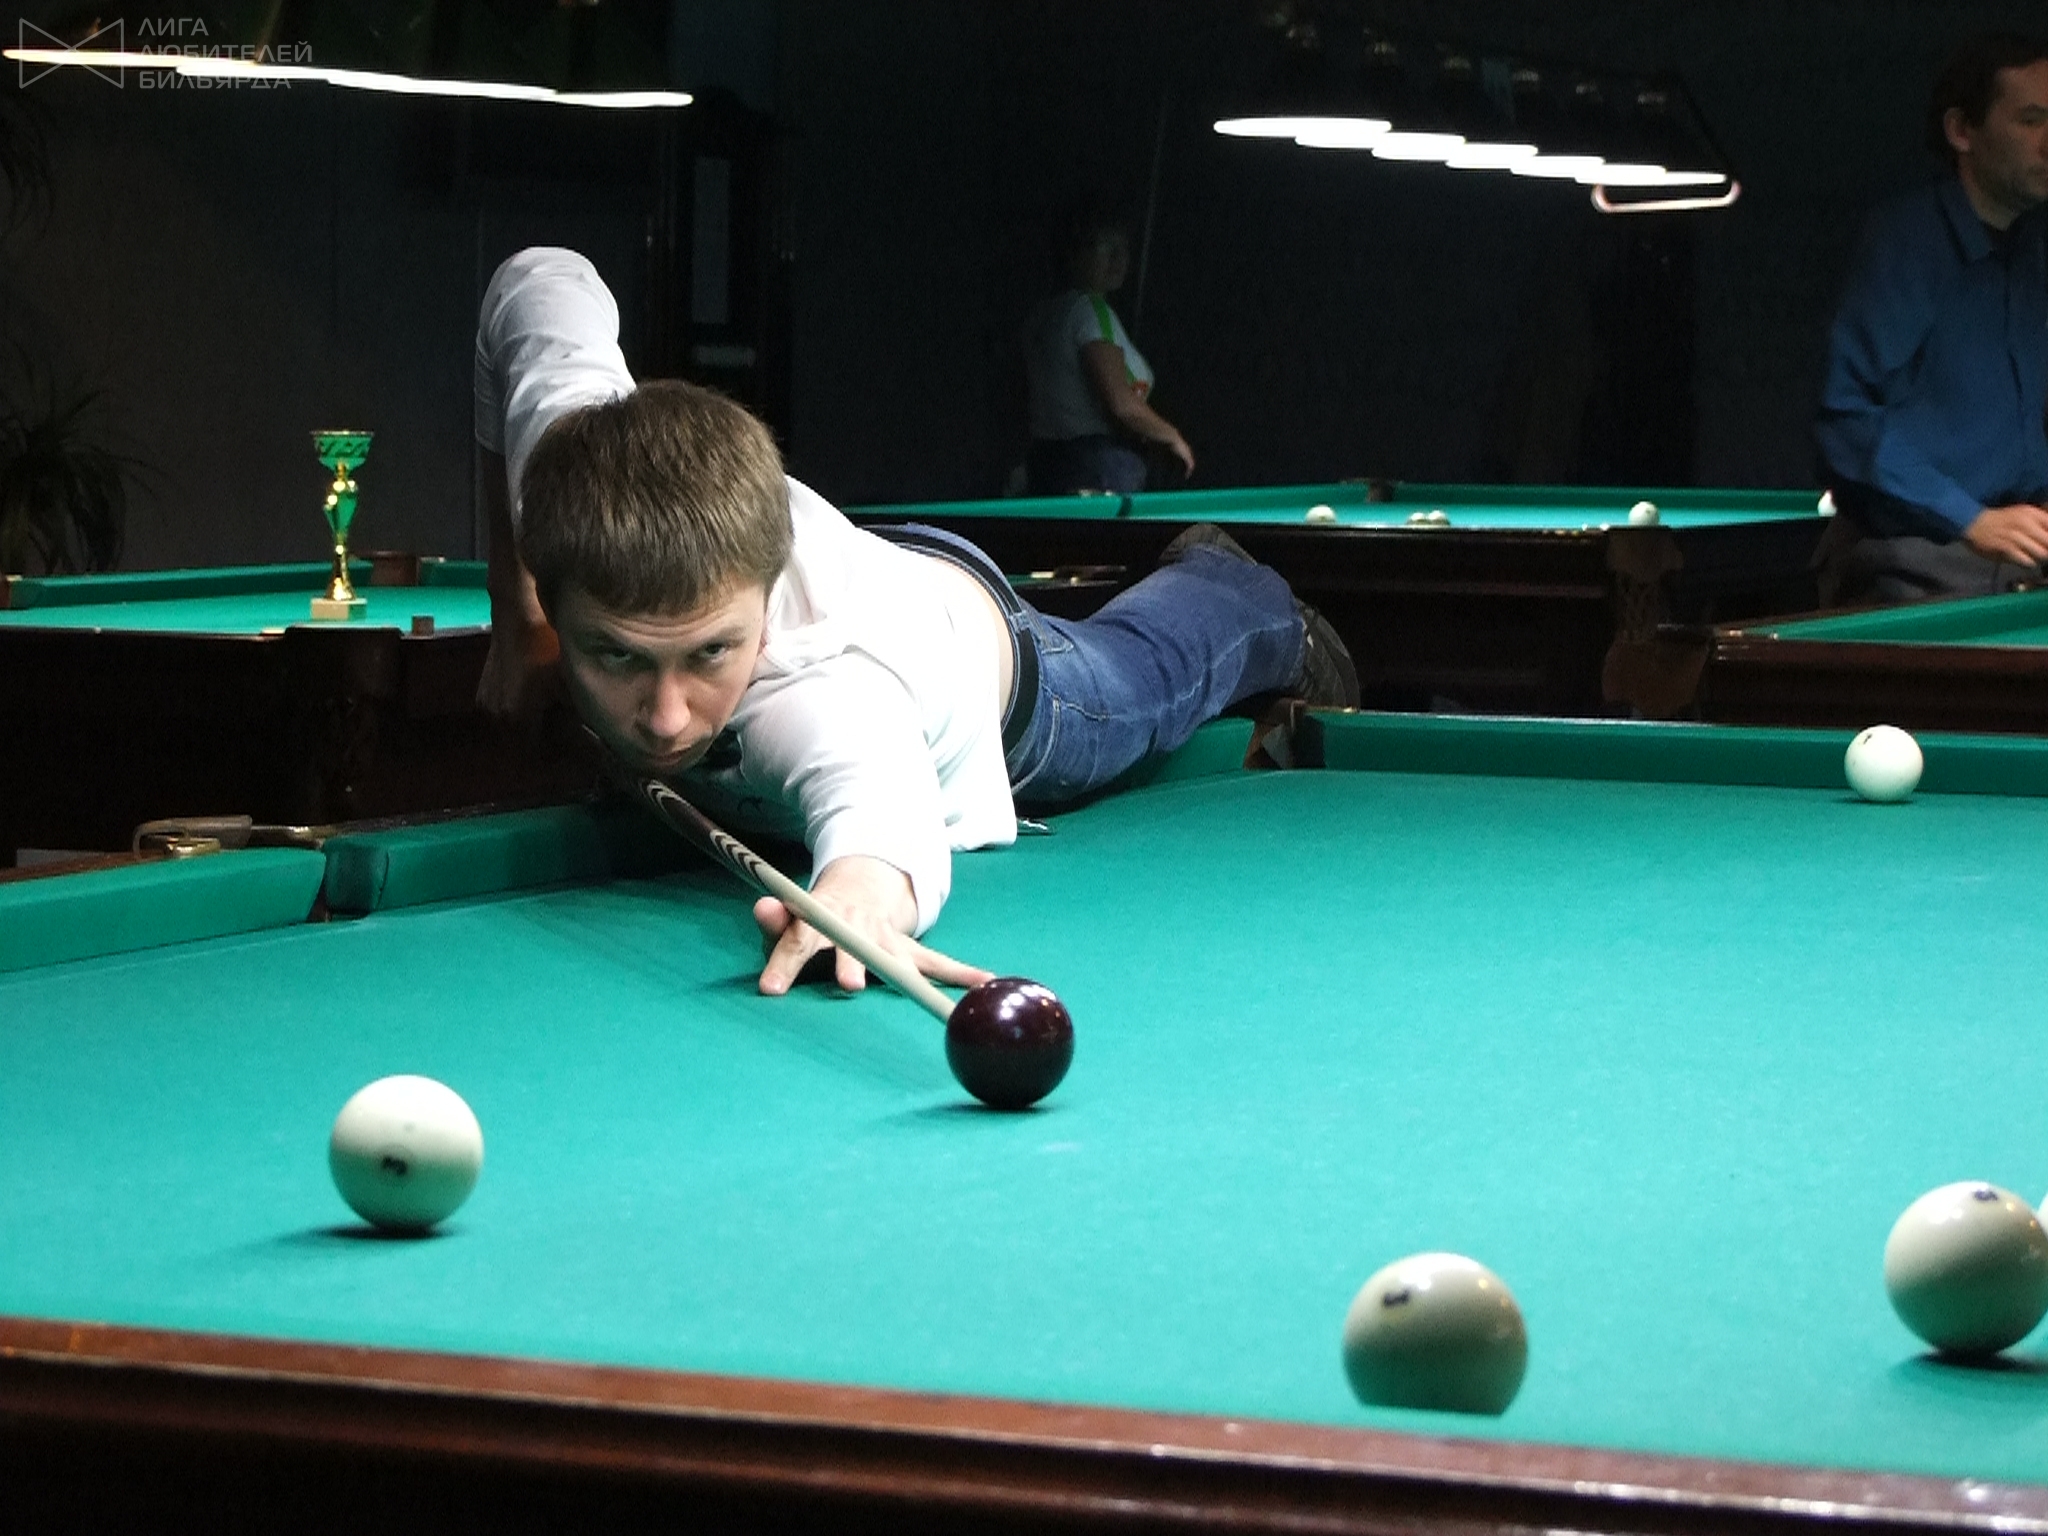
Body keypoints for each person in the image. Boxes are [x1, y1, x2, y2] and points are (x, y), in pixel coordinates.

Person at [473, 248, 1358, 997]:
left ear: (763, 601)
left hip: (990, 668)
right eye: (616, 654)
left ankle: (1242, 594)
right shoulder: (570, 468)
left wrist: (858, 900)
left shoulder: (826, 692)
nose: (667, 719)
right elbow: (538, 279)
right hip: (869, 562)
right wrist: (516, 617)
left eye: (711, 653)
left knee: (1141, 676)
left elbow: (882, 817)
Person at [1813, 32, 2048, 605]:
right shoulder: (1905, 244)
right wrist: (1970, 519)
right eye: (2031, 120)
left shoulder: (2035, 249)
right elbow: (1843, 419)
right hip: (1915, 566)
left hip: (2022, 564)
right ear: (1962, 131)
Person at [1020, 202, 1195, 495]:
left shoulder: (1039, 316)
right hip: (1099, 468)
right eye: (1105, 247)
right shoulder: (1090, 310)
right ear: (1074, 254)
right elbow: (1121, 404)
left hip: (1045, 465)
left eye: (1123, 249)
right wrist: (1171, 435)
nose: (1119, 259)